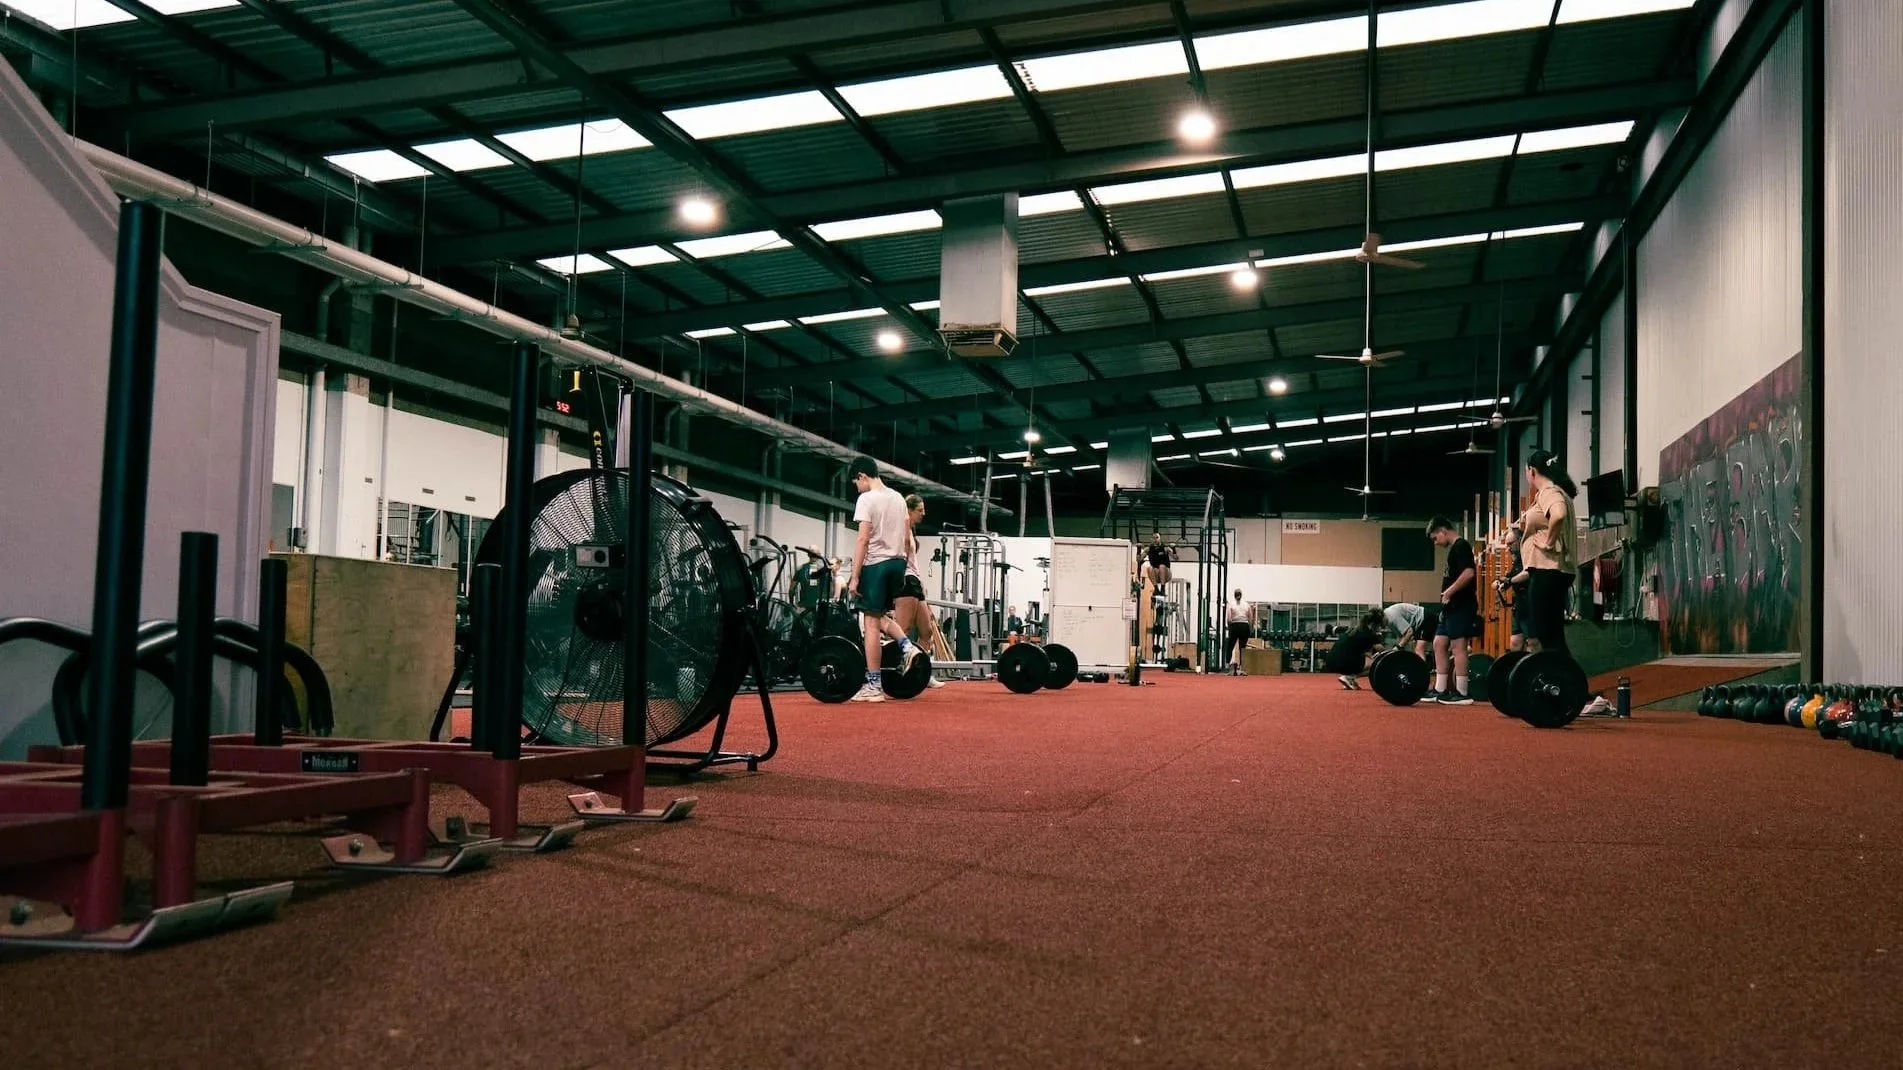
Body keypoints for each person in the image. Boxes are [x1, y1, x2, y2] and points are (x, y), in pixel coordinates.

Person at [845, 456, 925, 703]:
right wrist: (902, 564)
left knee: (870, 622)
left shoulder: (866, 499)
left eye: (856, 483)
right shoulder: (899, 498)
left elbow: (863, 539)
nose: (857, 488)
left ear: (862, 476)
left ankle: (874, 686)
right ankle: (907, 647)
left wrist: (855, 577)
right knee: (880, 616)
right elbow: (907, 540)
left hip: (876, 565)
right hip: (898, 564)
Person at [1510, 449, 1579, 661]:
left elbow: (1559, 514)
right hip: (1553, 572)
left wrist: (1548, 542)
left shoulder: (1549, 491)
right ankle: (1566, 677)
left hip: (1548, 572)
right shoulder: (1555, 491)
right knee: (1552, 637)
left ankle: (1563, 677)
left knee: (1547, 636)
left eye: (1525, 472)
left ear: (1531, 471)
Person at [1426, 516, 1478, 705]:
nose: (1435, 543)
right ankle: (1440, 689)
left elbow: (1469, 573)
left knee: (1458, 646)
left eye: (1435, 538)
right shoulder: (1454, 549)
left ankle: (1462, 693)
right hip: (1451, 607)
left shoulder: (1461, 546)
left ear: (1442, 531)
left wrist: (1449, 591)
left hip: (1462, 604)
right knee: (1439, 643)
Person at [896, 494, 946, 689]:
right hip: (905, 581)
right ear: (909, 510)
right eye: (920, 510)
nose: (923, 513)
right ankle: (890, 673)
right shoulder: (901, 528)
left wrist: (922, 583)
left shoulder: (911, 530)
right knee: (902, 631)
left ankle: (922, 673)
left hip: (915, 581)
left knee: (927, 631)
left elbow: (913, 562)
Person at [1324, 609, 1388, 690]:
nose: (1379, 628)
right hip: (1342, 662)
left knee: (1368, 659)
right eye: (1379, 626)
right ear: (1373, 624)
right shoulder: (1369, 633)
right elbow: (1383, 652)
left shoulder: (1354, 629)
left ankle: (1349, 679)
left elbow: (1354, 648)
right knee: (1377, 664)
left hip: (1330, 662)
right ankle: (1349, 677)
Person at [1223, 590, 1254, 672]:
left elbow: (1229, 619)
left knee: (1230, 646)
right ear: (1241, 595)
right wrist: (1250, 629)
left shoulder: (1231, 604)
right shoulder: (1246, 605)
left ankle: (1227, 665)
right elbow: (1251, 618)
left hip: (1235, 625)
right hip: (1244, 626)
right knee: (1242, 647)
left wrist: (1230, 628)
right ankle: (1241, 666)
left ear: (1234, 595)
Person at [1140, 532, 1174, 597]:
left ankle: (1162, 589)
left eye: (1157, 537)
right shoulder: (1148, 549)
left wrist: (1173, 549)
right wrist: (1139, 550)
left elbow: (1175, 557)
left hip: (1166, 574)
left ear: (1160, 538)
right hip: (1156, 575)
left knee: (1161, 566)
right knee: (1150, 568)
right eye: (1154, 538)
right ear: (1151, 539)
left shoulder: (1165, 548)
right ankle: (1156, 589)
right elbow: (1139, 559)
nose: (1155, 539)